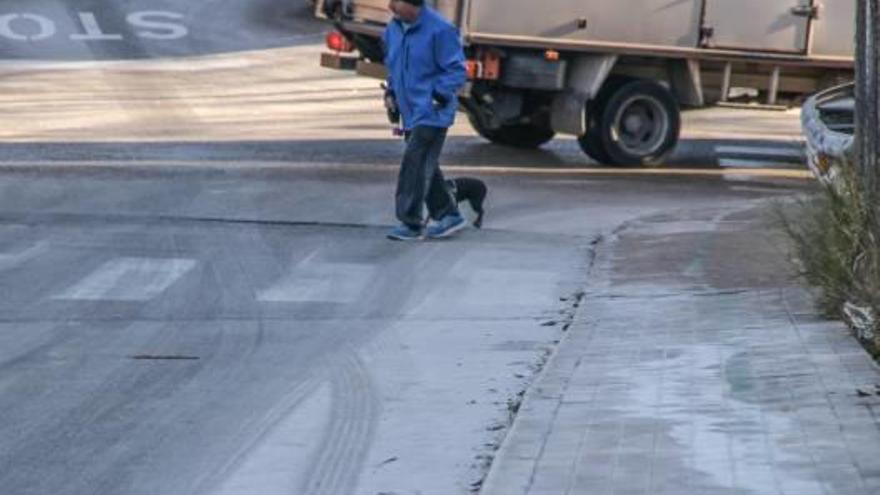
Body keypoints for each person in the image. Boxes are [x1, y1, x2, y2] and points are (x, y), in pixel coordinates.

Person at [382, 0, 468, 241]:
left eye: (396, 2)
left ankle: (410, 223)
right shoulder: (394, 28)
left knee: (415, 163)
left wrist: (438, 96)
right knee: (425, 164)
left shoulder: (440, 30)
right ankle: (449, 214)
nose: (390, 6)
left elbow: (457, 70)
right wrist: (390, 92)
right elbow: (394, 64)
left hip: (432, 111)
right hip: (410, 110)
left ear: (413, 4)